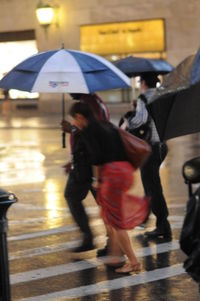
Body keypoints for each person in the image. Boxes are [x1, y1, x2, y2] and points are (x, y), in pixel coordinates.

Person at [68, 101, 150, 273]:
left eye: (74, 119)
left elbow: (97, 158)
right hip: (125, 171)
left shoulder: (89, 131)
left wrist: (97, 180)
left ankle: (133, 262)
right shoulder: (106, 125)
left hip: (112, 174)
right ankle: (115, 255)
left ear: (80, 117)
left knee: (116, 221)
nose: (74, 123)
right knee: (108, 215)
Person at [124, 73, 172, 239]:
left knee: (153, 186)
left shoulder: (143, 98)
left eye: (139, 82)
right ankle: (147, 217)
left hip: (149, 147)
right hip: (162, 145)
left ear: (143, 82)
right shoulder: (162, 96)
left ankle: (163, 225)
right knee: (151, 183)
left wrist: (130, 116)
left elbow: (139, 121)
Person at [61, 93, 109, 253]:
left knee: (71, 195)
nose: (69, 91)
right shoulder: (95, 100)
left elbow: (92, 130)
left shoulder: (89, 103)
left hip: (87, 162)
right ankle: (112, 243)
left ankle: (91, 237)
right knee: (103, 203)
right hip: (85, 159)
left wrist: (72, 128)